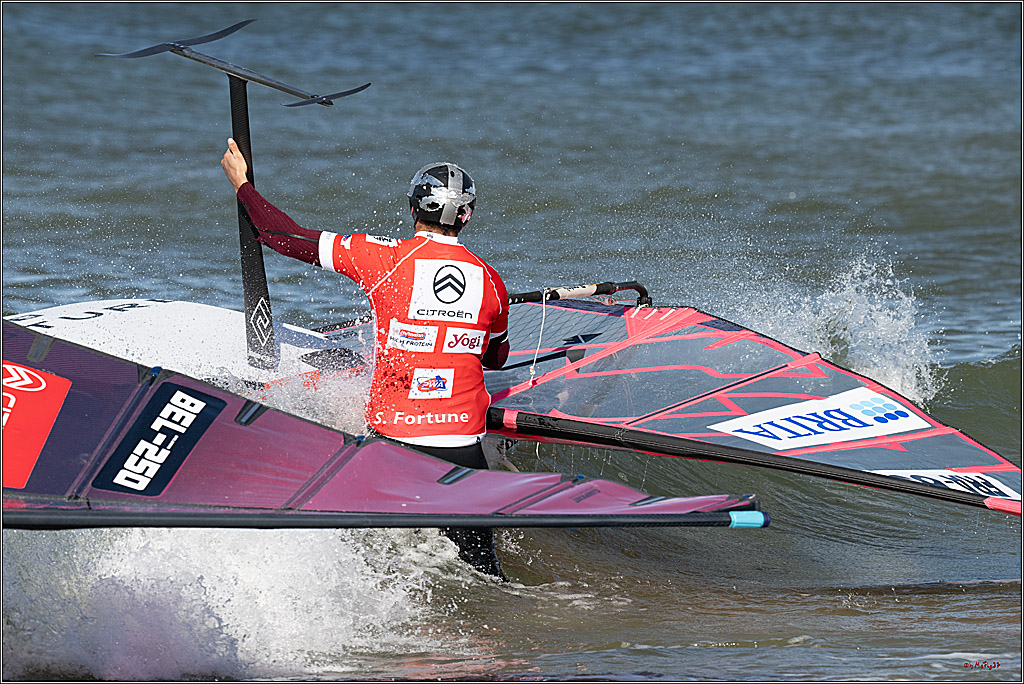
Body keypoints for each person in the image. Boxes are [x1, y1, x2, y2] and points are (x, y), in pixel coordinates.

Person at [221, 139, 510, 579]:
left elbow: (283, 237)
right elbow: (496, 357)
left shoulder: (384, 258)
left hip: (394, 440)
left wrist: (242, 185)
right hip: (463, 446)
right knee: (484, 571)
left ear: (413, 208)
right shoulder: (491, 281)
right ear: (467, 216)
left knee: (378, 563)